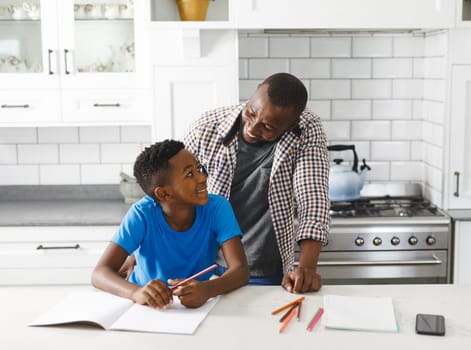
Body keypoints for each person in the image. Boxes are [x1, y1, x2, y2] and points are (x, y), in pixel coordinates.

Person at [184, 72, 330, 293]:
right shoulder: (206, 128)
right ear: (254, 94)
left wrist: (307, 267)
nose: (252, 128)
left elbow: (312, 198)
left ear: (290, 126)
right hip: (207, 264)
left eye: (268, 128)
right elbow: (171, 190)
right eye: (251, 113)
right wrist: (136, 254)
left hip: (266, 269)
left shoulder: (306, 130)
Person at [92, 139, 249, 309]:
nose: (202, 177)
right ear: (164, 194)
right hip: (144, 305)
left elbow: (240, 271)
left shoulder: (218, 208)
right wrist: (136, 292)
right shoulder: (142, 214)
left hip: (195, 304)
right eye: (190, 174)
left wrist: (207, 289)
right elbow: (99, 273)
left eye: (198, 169)